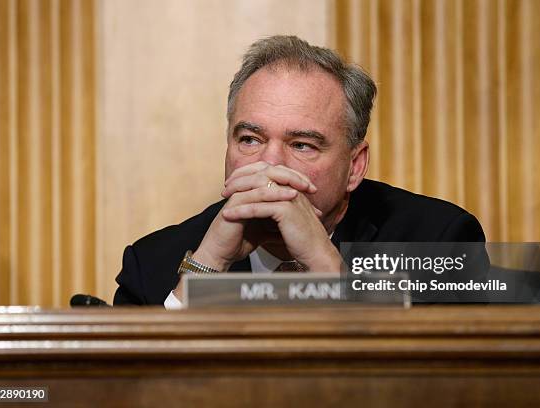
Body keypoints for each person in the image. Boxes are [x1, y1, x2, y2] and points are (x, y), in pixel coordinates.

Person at [113, 35, 487, 307]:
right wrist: (206, 270)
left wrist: (326, 266)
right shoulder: (153, 263)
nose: (270, 165)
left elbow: (452, 387)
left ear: (354, 166)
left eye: (302, 145)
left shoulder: (439, 241)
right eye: (250, 139)